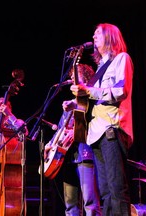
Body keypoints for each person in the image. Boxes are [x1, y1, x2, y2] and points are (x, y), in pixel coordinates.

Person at [65, 23, 134, 215]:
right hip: (95, 134)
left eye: (98, 34)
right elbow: (94, 97)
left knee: (116, 188)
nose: (93, 37)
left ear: (110, 37)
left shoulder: (122, 59)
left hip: (112, 128)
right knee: (105, 192)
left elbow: (120, 91)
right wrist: (75, 103)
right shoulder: (100, 69)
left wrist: (88, 90)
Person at [44, 64, 102, 216]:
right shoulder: (69, 104)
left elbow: (96, 126)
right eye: (71, 77)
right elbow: (61, 129)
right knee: (70, 206)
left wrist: (76, 131)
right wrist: (49, 145)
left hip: (86, 155)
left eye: (76, 77)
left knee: (90, 204)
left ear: (86, 79)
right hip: (67, 158)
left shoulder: (93, 102)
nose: (72, 79)